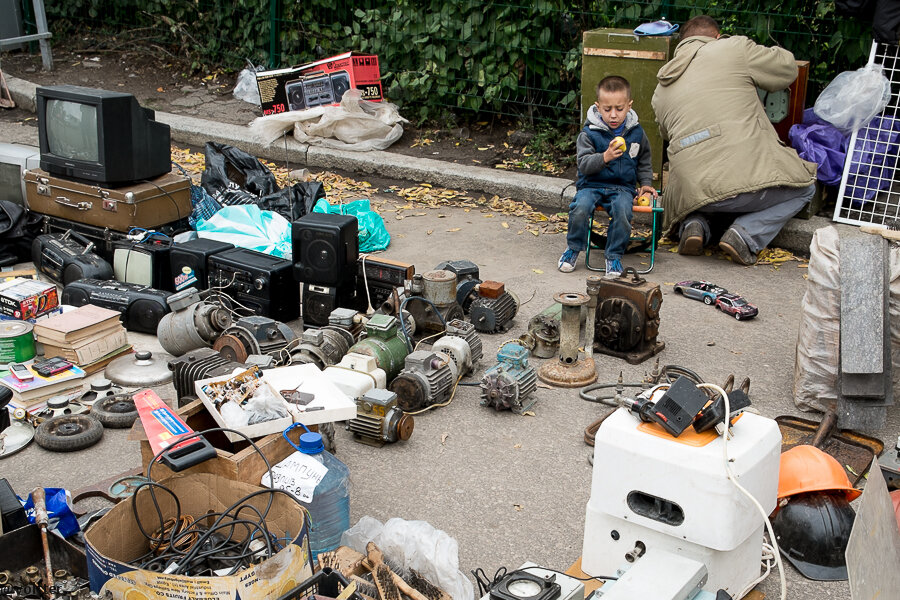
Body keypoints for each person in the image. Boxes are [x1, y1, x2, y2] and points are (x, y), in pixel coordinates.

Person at [651, 15, 816, 265]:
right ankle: (745, 235)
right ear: (716, 36)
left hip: (688, 194)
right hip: (738, 185)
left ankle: (694, 224)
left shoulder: (660, 88)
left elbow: (666, 134)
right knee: (805, 188)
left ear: (682, 44)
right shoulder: (732, 49)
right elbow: (787, 68)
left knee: (708, 191)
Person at [558, 75, 657, 275]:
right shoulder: (589, 133)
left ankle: (613, 257)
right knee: (580, 208)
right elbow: (584, 164)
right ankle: (573, 248)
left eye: (619, 109)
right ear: (597, 106)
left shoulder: (636, 133)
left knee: (623, 213)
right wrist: (605, 157)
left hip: (622, 188)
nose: (613, 115)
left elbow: (644, 160)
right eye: (607, 109)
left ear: (629, 106)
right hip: (591, 184)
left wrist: (645, 183)